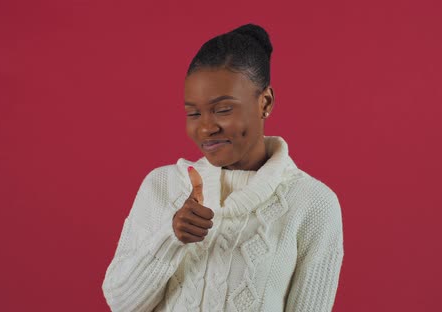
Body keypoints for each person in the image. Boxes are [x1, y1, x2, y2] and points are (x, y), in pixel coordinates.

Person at [102, 23, 344, 312]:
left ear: (264, 102)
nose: (206, 128)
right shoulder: (163, 185)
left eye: (223, 109)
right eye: (193, 113)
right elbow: (120, 303)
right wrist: (170, 239)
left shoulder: (313, 203)